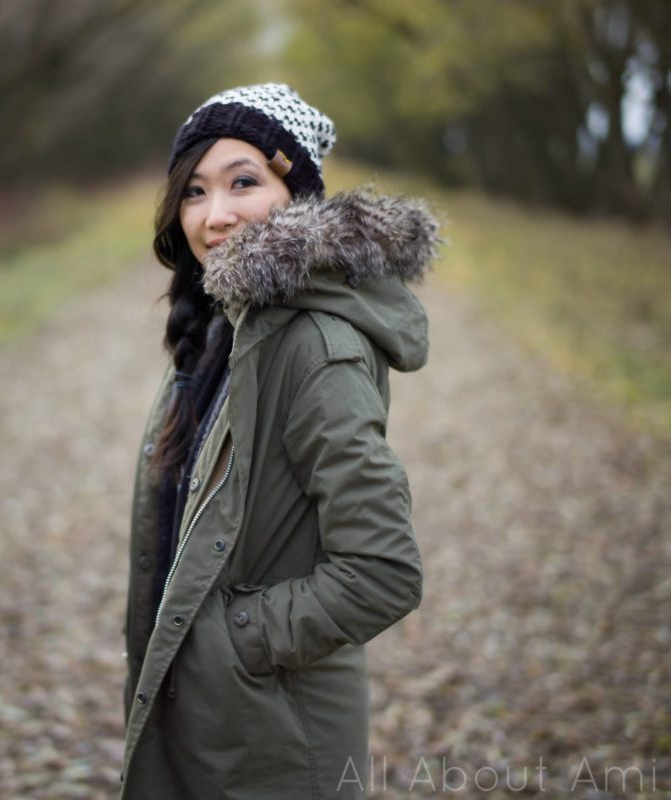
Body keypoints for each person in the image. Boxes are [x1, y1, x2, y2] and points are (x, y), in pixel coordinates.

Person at [121, 83, 439, 799]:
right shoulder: (221, 330)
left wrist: (234, 641)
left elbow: (384, 569)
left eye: (243, 182)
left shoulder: (315, 346)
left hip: (278, 742)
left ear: (297, 193)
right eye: (195, 191)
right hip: (213, 723)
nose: (216, 214)